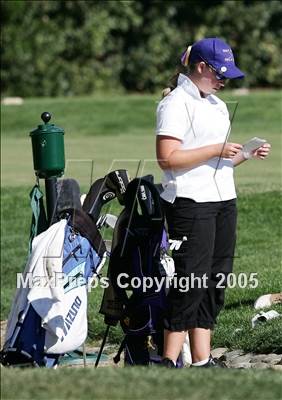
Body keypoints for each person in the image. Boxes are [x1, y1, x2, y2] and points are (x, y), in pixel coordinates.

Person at [155, 37, 271, 368]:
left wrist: (245, 154)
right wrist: (215, 150)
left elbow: (216, 165)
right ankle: (168, 361)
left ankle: (202, 361)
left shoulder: (217, 106)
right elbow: (167, 158)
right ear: (201, 67)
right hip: (190, 205)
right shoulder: (175, 103)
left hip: (223, 202)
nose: (224, 81)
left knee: (215, 282)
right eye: (219, 74)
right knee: (190, 282)